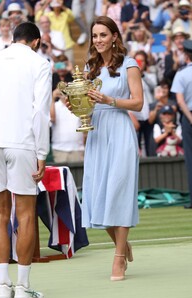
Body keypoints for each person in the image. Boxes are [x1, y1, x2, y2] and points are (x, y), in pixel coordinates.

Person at [0, 21, 52, 298]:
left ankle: (3, 288)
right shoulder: (40, 63)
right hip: (23, 143)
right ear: (36, 41)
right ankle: (22, 289)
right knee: (26, 214)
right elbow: (40, 111)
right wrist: (42, 153)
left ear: (14, 39)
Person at [81, 16, 143, 281]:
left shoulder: (129, 64)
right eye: (95, 36)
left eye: (103, 35)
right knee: (97, 197)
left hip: (119, 130)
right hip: (96, 133)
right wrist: (79, 107)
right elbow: (85, 104)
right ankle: (122, 244)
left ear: (114, 36)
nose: (99, 40)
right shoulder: (89, 68)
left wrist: (109, 100)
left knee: (119, 191)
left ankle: (118, 258)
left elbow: (138, 103)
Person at [171, 39, 192, 209]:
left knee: (191, 160)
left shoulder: (182, 73)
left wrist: (190, 118)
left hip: (189, 118)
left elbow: (180, 100)